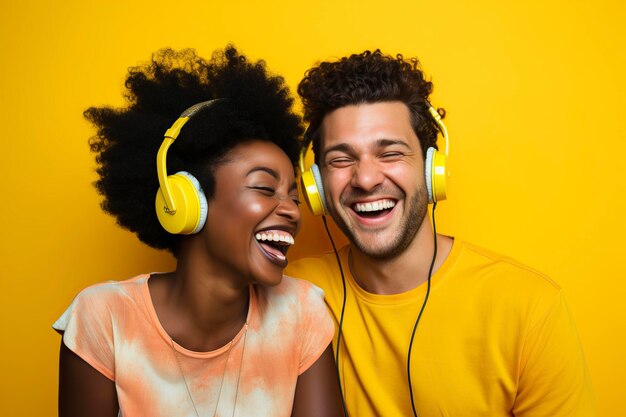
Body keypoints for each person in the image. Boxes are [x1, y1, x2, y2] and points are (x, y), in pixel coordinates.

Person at [286, 50, 595, 416]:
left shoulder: (530, 310)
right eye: (341, 159)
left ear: (434, 170)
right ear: (317, 186)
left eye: (390, 153)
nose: (366, 179)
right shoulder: (293, 294)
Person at [54, 46, 343, 417]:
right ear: (187, 201)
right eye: (263, 188)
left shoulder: (301, 312)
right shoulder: (103, 318)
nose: (290, 209)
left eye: (293, 195)